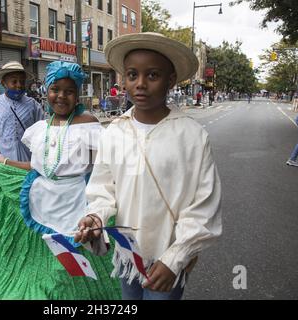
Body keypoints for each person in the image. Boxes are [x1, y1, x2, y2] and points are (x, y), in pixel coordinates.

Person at [0, 61, 121, 299]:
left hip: (75, 205)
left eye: (69, 91)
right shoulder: (41, 127)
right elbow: (38, 166)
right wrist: (5, 164)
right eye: (55, 89)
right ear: (46, 91)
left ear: (78, 93)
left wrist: (101, 207)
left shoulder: (88, 123)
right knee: (50, 263)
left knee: (69, 269)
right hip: (42, 202)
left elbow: (103, 169)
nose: (61, 96)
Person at [74, 32, 222, 300]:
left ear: (171, 80)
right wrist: (95, 217)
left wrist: (176, 257)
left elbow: (203, 206)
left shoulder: (192, 135)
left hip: (167, 258)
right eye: (132, 75)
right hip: (127, 255)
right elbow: (103, 189)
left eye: (152, 75)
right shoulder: (115, 131)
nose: (140, 84)